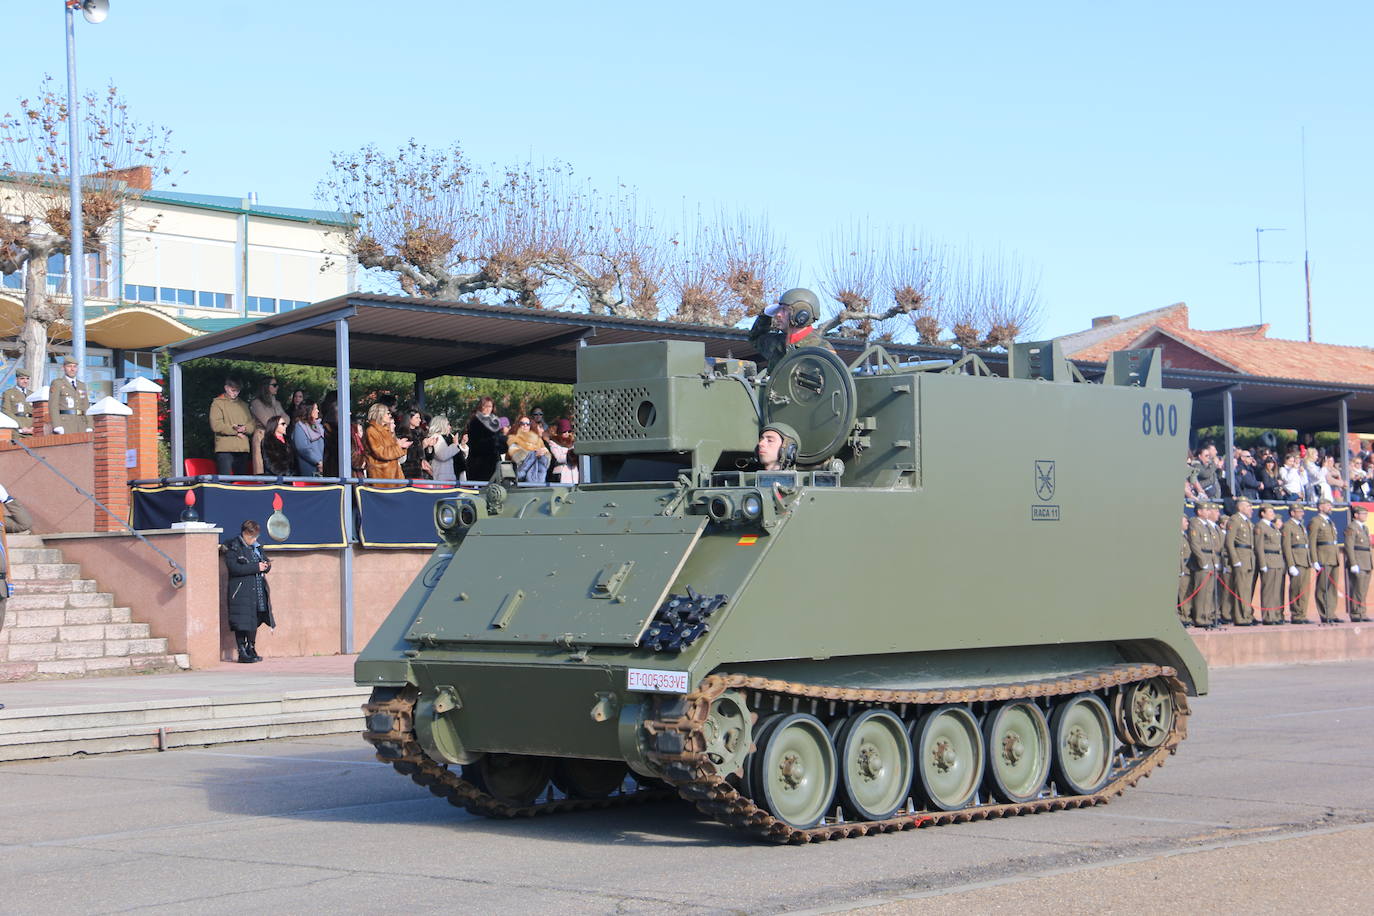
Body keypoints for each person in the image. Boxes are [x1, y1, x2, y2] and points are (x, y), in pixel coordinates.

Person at [222, 519, 275, 663]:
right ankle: (242, 651)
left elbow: (265, 561)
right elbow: (234, 568)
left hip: (257, 589)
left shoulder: (257, 547)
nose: (254, 540)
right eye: (251, 537)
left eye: (256, 537)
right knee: (242, 621)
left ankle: (251, 648)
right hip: (241, 590)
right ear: (245, 533)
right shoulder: (233, 546)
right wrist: (256, 567)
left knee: (255, 618)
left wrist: (266, 565)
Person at [747, 288, 836, 371]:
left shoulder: (821, 349)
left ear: (802, 315)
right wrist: (765, 314)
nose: (778, 314)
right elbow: (755, 338)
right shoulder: (777, 343)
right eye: (779, 309)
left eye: (784, 310)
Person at [209, 378, 256, 475]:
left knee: (241, 481)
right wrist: (236, 431)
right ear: (226, 388)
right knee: (225, 480)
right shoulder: (217, 403)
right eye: (233, 390)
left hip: (242, 448)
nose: (235, 393)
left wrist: (245, 428)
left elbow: (252, 424)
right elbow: (216, 425)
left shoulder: (244, 405)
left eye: (238, 391)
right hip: (225, 448)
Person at [1186, 502, 1221, 627]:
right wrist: (1202, 561)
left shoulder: (1207, 526)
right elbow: (1195, 544)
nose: (1208, 512)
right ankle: (1200, 618)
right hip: (1202, 561)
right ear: (1199, 511)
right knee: (1201, 591)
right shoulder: (1195, 524)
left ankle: (1207, 617)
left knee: (1209, 591)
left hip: (1210, 560)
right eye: (1205, 510)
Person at [1308, 498, 1343, 623]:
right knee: (1322, 587)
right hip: (1323, 558)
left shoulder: (1330, 522)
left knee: (1332, 588)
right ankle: (1324, 613)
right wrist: (1314, 560)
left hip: (1333, 557)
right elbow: (1312, 542)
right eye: (1328, 505)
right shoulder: (1315, 521)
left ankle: (1331, 613)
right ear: (1320, 507)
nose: (1330, 507)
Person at [1222, 498, 1256, 625]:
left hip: (1248, 557)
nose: (1250, 509)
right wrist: (1235, 559)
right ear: (1241, 507)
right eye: (1248, 506)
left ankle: (1246, 615)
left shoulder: (1247, 522)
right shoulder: (1235, 520)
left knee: (1247, 589)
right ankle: (1240, 617)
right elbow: (1229, 542)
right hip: (1240, 557)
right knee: (1240, 589)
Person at [1282, 503, 1313, 623]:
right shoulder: (1288, 526)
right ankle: (1296, 614)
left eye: (1302, 511)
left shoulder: (1301, 526)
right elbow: (1287, 547)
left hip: (1305, 560)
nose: (1302, 514)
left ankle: (1302, 614)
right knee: (1296, 589)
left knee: (1304, 590)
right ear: (1292, 513)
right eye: (1299, 511)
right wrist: (1291, 564)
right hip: (1296, 560)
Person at [363, 402, 410, 482]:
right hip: (381, 476)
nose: (390, 416)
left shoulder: (386, 431)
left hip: (394, 476)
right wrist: (399, 446)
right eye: (388, 413)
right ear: (380, 414)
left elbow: (392, 451)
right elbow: (381, 453)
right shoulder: (371, 431)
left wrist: (402, 447)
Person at [1253, 504, 1284, 624]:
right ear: (1262, 513)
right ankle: (1268, 616)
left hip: (1277, 560)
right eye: (1270, 511)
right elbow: (1259, 546)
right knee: (1268, 590)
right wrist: (1262, 563)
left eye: (1273, 511)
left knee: (1276, 590)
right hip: (1268, 559)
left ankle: (1275, 615)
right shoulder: (1260, 526)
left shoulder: (1272, 527)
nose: (1273, 513)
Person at [249, 378, 285, 475]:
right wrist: (279, 420)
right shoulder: (256, 403)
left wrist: (278, 420)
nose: (277, 387)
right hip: (262, 436)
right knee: (261, 468)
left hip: (276, 437)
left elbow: (287, 419)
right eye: (274, 385)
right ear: (266, 387)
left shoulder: (277, 403)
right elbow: (268, 422)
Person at [48, 357, 92, 435]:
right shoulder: (57, 383)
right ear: (64, 368)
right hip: (65, 423)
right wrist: (57, 425)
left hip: (81, 423)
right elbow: (53, 406)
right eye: (69, 366)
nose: (72, 369)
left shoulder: (82, 385)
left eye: (74, 366)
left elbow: (86, 406)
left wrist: (90, 425)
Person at [466, 396, 503, 483]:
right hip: (479, 463)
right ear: (480, 407)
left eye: (490, 406)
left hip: (494, 461)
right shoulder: (475, 421)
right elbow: (475, 444)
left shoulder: (495, 422)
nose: (487, 409)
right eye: (485, 406)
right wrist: (492, 441)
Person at [1344, 504, 1371, 622]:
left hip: (1366, 561)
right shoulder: (1352, 527)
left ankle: (1362, 612)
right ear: (1356, 515)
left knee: (1363, 589)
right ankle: (1355, 613)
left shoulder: (1365, 528)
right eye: (1363, 514)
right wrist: (1353, 563)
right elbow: (1349, 546)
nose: (1365, 516)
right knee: (1357, 588)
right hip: (1358, 561)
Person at [506, 415, 551, 483]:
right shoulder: (513, 438)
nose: (525, 426)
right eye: (522, 423)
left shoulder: (538, 440)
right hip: (519, 479)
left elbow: (548, 457)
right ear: (518, 425)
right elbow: (517, 458)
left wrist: (543, 454)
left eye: (528, 424)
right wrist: (533, 454)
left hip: (538, 478)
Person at [423, 416, 466, 482]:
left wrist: (462, 445)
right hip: (441, 476)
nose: (450, 427)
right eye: (448, 424)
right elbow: (442, 455)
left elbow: (460, 454)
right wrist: (455, 445)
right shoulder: (435, 437)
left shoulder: (451, 436)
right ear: (441, 425)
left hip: (454, 475)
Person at [291, 401, 326, 477]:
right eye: (315, 409)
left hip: (324, 467)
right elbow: (302, 448)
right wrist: (318, 462)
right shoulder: (299, 427)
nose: (318, 411)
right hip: (310, 468)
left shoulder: (318, 425)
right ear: (309, 411)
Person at [1, 371, 34, 437]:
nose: (25, 381)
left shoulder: (32, 394)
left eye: (27, 379)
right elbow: (6, 411)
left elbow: (37, 412)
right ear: (16, 379)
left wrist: (34, 427)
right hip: (17, 430)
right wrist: (21, 426)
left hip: (32, 430)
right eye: (22, 379)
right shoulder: (8, 393)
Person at [547, 419, 578, 484]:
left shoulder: (573, 442)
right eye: (564, 431)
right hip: (561, 473)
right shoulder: (553, 442)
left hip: (574, 472)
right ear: (560, 431)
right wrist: (571, 455)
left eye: (569, 431)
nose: (567, 433)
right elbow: (558, 457)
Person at [399, 409, 427, 479]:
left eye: (419, 418)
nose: (420, 420)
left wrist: (428, 446)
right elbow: (406, 455)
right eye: (417, 418)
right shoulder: (402, 433)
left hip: (419, 470)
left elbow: (426, 455)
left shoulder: (420, 433)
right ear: (409, 419)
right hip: (407, 471)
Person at [1177, 515, 1193, 624]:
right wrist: (1181, 568)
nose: (1187, 523)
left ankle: (1186, 615)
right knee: (1182, 594)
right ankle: (1182, 617)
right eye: (1185, 521)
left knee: (1186, 593)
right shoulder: (1178, 536)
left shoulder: (1184, 535)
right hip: (1182, 567)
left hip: (1187, 567)